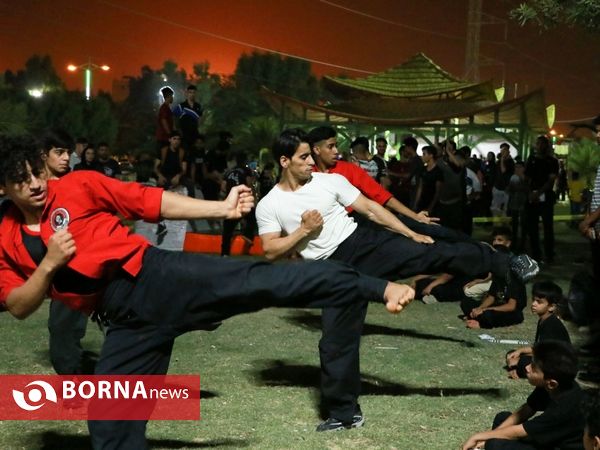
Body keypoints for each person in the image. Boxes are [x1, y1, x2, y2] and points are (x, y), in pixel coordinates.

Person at [0, 135, 415, 447]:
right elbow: (18, 305)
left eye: (37, 172)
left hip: (157, 277)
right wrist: (50, 265)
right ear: (4, 188)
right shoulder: (6, 238)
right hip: (126, 322)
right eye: (22, 181)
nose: (36, 184)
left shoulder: (76, 186)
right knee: (109, 418)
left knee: (262, 280)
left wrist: (221, 208)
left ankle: (377, 287)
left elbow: (152, 201)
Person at [256, 128, 539, 430]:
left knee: (432, 252)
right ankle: (345, 413)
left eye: (311, 155)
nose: (311, 162)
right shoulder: (270, 204)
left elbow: (371, 209)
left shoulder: (331, 181)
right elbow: (270, 250)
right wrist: (302, 232)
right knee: (335, 344)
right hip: (331, 271)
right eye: (303, 157)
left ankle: (507, 262)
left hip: (364, 244)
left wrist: (410, 232)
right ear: (284, 161)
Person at [462, 341, 585, 450]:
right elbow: (525, 411)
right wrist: (488, 437)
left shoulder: (564, 408)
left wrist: (479, 437)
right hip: (549, 437)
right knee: (502, 418)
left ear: (552, 383)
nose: (527, 368)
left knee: (494, 444)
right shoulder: (552, 385)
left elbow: (520, 431)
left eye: (534, 368)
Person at [40, 131, 92, 375]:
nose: (65, 158)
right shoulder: (34, 187)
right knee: (61, 326)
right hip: (55, 266)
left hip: (83, 262)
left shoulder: (77, 183)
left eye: (68, 153)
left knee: (66, 324)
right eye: (59, 153)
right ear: (44, 155)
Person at [505, 281, 571, 379]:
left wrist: (520, 361)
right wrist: (520, 351)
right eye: (533, 300)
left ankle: (519, 369)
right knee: (512, 354)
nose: (533, 304)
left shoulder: (551, 324)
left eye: (539, 302)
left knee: (521, 361)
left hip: (558, 365)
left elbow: (546, 353)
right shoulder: (543, 320)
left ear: (551, 307)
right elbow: (539, 348)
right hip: (546, 357)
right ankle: (519, 368)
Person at [461, 245, 527, 329]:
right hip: (496, 306)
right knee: (466, 303)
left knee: (488, 315)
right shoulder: (498, 275)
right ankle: (477, 318)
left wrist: (485, 310)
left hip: (511, 312)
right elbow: (491, 297)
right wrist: (479, 308)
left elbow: (511, 306)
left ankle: (480, 323)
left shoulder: (514, 277)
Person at [525, 135, 559, 264]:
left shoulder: (552, 161)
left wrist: (538, 193)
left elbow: (551, 180)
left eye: (540, 144)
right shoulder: (531, 160)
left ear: (546, 146)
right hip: (532, 197)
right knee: (532, 227)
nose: (538, 146)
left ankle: (549, 255)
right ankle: (536, 254)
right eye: (537, 143)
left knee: (548, 227)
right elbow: (526, 178)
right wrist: (530, 193)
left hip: (546, 197)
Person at [221, 151, 256, 256]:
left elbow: (223, 187)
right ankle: (247, 235)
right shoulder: (246, 170)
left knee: (227, 229)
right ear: (245, 160)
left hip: (230, 201)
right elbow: (249, 184)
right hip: (242, 200)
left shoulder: (229, 172)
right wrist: (253, 197)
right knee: (252, 218)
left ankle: (224, 253)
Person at [174, 84, 203, 152]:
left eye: (194, 92)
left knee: (194, 151)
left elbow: (200, 118)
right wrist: (177, 130)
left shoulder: (198, 106)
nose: (192, 94)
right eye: (190, 92)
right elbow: (175, 118)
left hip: (194, 133)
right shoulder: (181, 106)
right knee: (184, 152)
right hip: (184, 134)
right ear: (187, 93)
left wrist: (198, 126)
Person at [155, 86, 174, 157]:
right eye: (172, 96)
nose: (173, 98)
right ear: (168, 96)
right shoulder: (164, 108)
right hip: (164, 138)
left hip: (164, 138)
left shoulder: (166, 108)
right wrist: (169, 134)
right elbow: (164, 121)